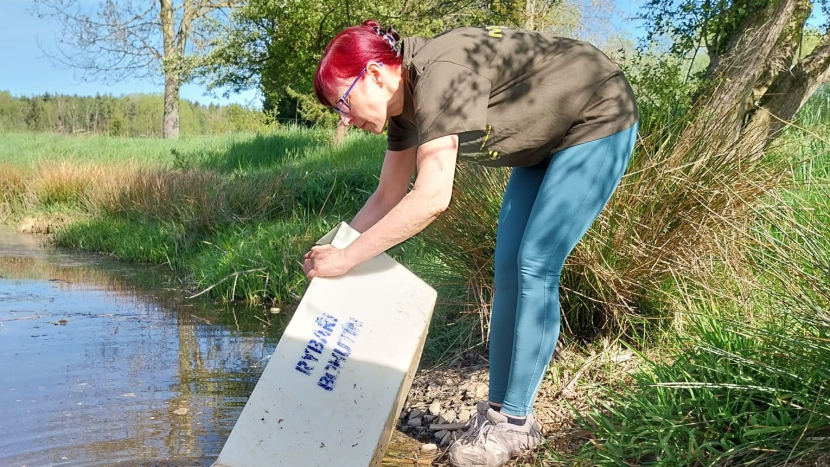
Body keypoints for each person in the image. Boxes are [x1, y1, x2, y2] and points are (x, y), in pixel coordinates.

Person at [303, 20, 638, 467]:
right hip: (542, 144)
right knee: (507, 269)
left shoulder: (439, 74)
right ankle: (496, 414)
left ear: (377, 75)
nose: (344, 118)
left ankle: (516, 424)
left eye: (342, 101)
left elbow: (431, 197)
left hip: (596, 113)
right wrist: (331, 257)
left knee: (535, 263)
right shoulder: (404, 109)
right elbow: (387, 195)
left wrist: (347, 259)